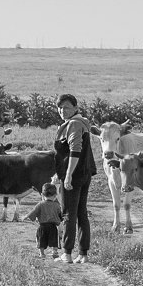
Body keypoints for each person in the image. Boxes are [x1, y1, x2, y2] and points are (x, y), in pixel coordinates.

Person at [53, 94, 97, 264]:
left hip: (75, 175)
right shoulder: (82, 123)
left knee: (68, 213)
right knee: (81, 213)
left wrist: (68, 174)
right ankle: (83, 254)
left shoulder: (73, 124)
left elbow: (75, 150)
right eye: (60, 108)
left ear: (75, 108)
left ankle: (67, 253)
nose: (62, 111)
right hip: (85, 173)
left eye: (66, 107)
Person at [25, 182, 64, 259]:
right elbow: (60, 215)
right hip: (53, 226)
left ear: (42, 195)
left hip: (42, 226)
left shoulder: (40, 204)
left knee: (41, 240)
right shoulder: (56, 205)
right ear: (55, 196)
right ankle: (54, 251)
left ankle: (42, 253)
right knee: (54, 240)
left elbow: (33, 213)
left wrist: (26, 217)